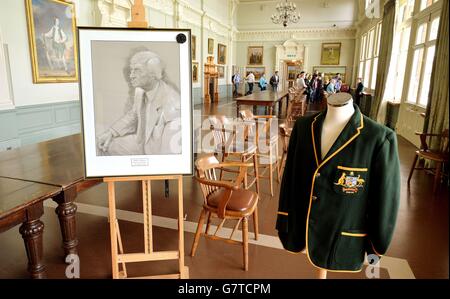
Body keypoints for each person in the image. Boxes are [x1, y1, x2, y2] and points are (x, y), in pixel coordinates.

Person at [277, 92, 400, 278]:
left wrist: (377, 244)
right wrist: (284, 219)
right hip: (303, 228)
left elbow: (385, 200)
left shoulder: (379, 138)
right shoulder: (303, 127)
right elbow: (289, 179)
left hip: (342, 236)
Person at [97, 50, 181, 156]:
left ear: (154, 74)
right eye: (132, 70)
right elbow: (133, 115)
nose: (131, 76)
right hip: (140, 144)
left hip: (156, 154)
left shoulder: (173, 103)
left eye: (137, 70)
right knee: (102, 145)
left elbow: (170, 152)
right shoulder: (140, 91)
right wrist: (110, 132)